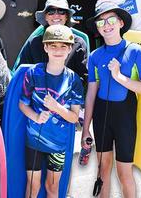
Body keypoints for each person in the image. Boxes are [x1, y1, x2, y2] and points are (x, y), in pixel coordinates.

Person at [82, 2, 141, 198]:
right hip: (102, 116)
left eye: (111, 19)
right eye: (101, 22)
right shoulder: (95, 56)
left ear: (121, 22)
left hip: (125, 118)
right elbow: (91, 93)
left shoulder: (135, 50)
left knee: (124, 173)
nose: (106, 25)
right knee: (102, 170)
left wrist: (120, 77)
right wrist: (86, 128)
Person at [19, 24, 83, 198]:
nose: (58, 50)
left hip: (58, 145)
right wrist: (36, 116)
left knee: (52, 188)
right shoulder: (34, 73)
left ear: (70, 48)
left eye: (63, 46)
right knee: (33, 186)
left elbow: (74, 117)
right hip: (34, 141)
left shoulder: (73, 80)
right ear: (45, 47)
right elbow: (22, 104)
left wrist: (57, 108)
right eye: (53, 45)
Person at [16, 0, 89, 85]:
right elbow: (22, 73)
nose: (56, 15)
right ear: (45, 17)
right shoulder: (34, 43)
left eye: (61, 11)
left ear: (66, 16)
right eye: (51, 11)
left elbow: (82, 78)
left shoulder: (78, 43)